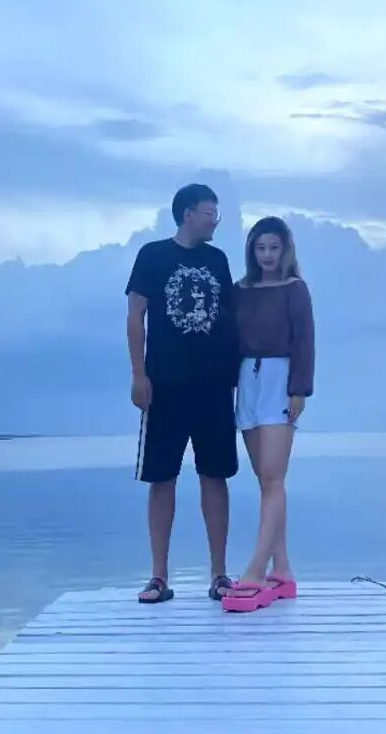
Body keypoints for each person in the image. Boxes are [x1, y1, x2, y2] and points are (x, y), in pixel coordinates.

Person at [126, 183, 240, 604]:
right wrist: (139, 375)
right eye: (210, 212)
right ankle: (158, 576)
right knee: (162, 477)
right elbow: (135, 317)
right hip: (165, 386)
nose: (216, 220)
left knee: (215, 475)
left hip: (214, 387)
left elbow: (231, 318)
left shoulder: (217, 260)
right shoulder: (152, 256)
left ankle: (219, 574)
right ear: (189, 214)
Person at [221, 215, 314, 613]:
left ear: (285, 249)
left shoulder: (295, 289)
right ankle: (283, 569)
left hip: (280, 378)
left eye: (274, 247)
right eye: (260, 248)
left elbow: (305, 339)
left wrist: (299, 389)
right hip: (247, 380)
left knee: (274, 477)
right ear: (252, 251)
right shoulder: (240, 290)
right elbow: (228, 338)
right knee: (265, 480)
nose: (267, 255)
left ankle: (257, 570)